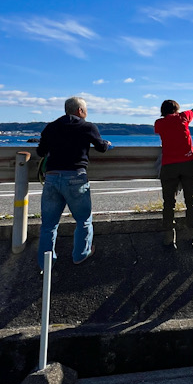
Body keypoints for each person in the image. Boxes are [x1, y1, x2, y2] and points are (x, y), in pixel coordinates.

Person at [36, 96, 111, 273]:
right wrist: (107, 144)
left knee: (49, 224)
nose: (86, 112)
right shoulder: (87, 126)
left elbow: (40, 151)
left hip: (52, 178)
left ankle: (45, 263)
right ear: (80, 111)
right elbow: (100, 147)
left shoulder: (51, 127)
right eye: (85, 110)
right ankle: (80, 255)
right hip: (76, 178)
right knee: (83, 220)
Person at [155, 87, 193, 249]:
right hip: (187, 164)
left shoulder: (159, 123)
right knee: (191, 200)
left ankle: (169, 238)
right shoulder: (183, 117)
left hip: (168, 165)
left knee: (168, 202)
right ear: (176, 110)